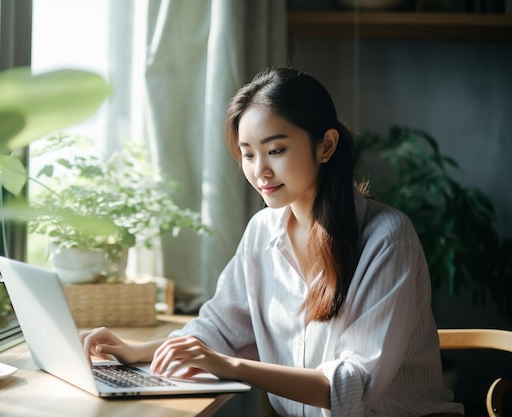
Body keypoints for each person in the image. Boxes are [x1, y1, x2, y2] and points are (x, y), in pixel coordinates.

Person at [80, 67, 464, 417]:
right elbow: (218, 329)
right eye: (248, 155)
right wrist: (133, 352)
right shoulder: (263, 231)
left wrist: (229, 366)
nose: (260, 171)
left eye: (276, 150)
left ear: (326, 146)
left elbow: (353, 387)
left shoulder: (387, 238)